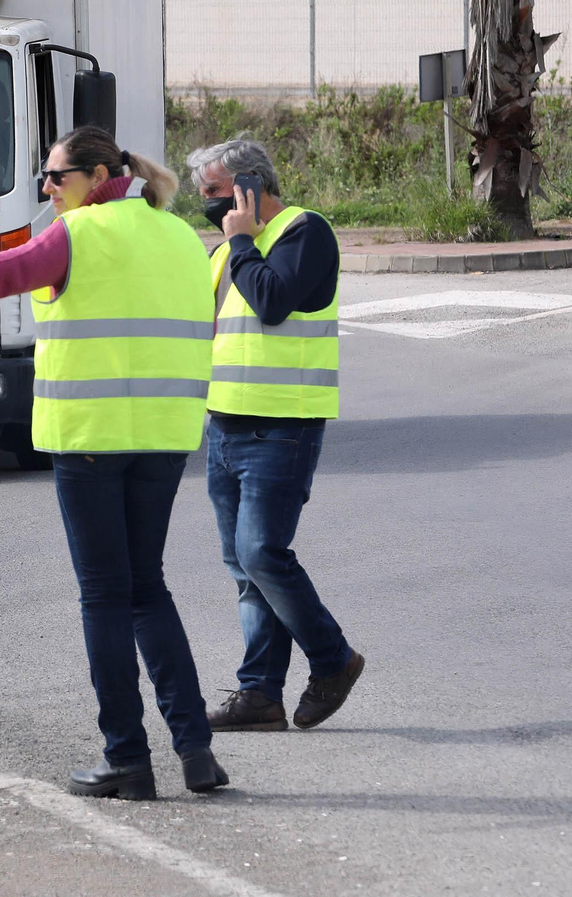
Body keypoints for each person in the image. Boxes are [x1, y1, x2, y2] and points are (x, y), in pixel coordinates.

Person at [0, 126, 227, 801]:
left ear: (98, 176)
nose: (45, 188)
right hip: (165, 435)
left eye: (55, 177)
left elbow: (7, 272)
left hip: (92, 436)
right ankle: (196, 750)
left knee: (104, 595)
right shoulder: (180, 236)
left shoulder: (81, 236)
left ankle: (127, 758)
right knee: (146, 589)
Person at [186, 136, 365, 732]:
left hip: (281, 425)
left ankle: (333, 659)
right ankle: (260, 694)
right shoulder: (224, 253)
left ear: (250, 186)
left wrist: (240, 240)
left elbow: (271, 302)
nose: (207, 206)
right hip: (225, 426)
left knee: (262, 553)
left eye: (214, 193)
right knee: (244, 568)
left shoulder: (303, 231)